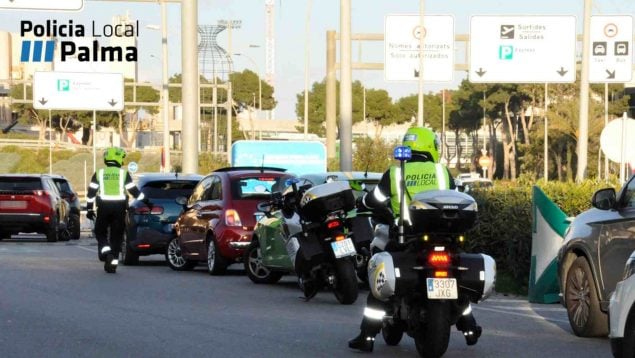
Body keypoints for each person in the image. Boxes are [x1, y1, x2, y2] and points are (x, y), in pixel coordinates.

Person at [348, 127, 482, 352]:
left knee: (380, 282)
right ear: (431, 146)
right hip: (445, 237)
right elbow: (453, 196)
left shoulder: (395, 173)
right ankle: (469, 325)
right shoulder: (442, 171)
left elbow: (374, 200)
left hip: (406, 237)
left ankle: (367, 336)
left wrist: (361, 204)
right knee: (456, 279)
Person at [86, 147, 146, 273]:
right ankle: (112, 263)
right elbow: (133, 191)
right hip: (119, 208)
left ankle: (106, 252)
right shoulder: (123, 174)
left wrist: (89, 209)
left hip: (103, 207)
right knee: (117, 236)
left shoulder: (99, 173)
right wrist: (146, 201)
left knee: (100, 231)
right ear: (118, 158)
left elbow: (91, 193)